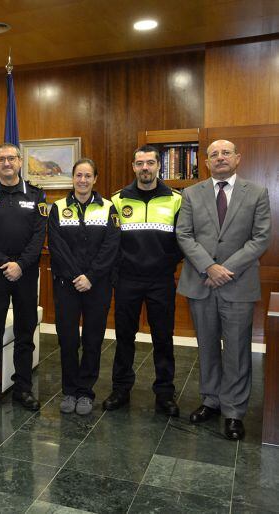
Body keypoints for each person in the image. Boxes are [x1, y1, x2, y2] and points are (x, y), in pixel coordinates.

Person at [176, 140, 271, 440]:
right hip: (201, 282)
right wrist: (209, 267)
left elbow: (261, 238)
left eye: (226, 153)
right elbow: (184, 234)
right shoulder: (191, 194)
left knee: (237, 350)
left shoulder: (256, 193)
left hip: (238, 283)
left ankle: (234, 411)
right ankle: (211, 401)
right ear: (206, 163)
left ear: (237, 158)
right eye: (214, 154)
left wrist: (224, 269)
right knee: (206, 347)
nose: (220, 158)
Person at [104, 145, 183, 416]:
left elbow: (183, 239)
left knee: (163, 337)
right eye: (140, 163)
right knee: (124, 336)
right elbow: (111, 242)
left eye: (150, 162)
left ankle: (165, 393)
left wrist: (166, 263)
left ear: (158, 166)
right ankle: (120, 389)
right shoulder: (118, 200)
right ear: (133, 167)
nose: (145, 168)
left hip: (161, 280)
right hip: (127, 280)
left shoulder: (175, 199)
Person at [0, 143, 47, 413]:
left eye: (11, 158)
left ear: (20, 161)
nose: (7, 163)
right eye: (1, 159)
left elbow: (39, 235)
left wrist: (20, 264)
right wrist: (4, 263)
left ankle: (23, 388)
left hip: (25, 274)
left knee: (25, 333)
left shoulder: (36, 194)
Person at [47, 158, 120, 415]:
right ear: (73, 178)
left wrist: (90, 276)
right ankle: (69, 390)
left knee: (92, 339)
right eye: (79, 175)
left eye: (88, 176)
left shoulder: (109, 208)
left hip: (98, 285)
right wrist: (76, 275)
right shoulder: (58, 208)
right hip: (66, 285)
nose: (83, 180)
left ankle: (86, 391)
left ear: (95, 179)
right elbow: (56, 246)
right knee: (67, 339)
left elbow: (111, 246)